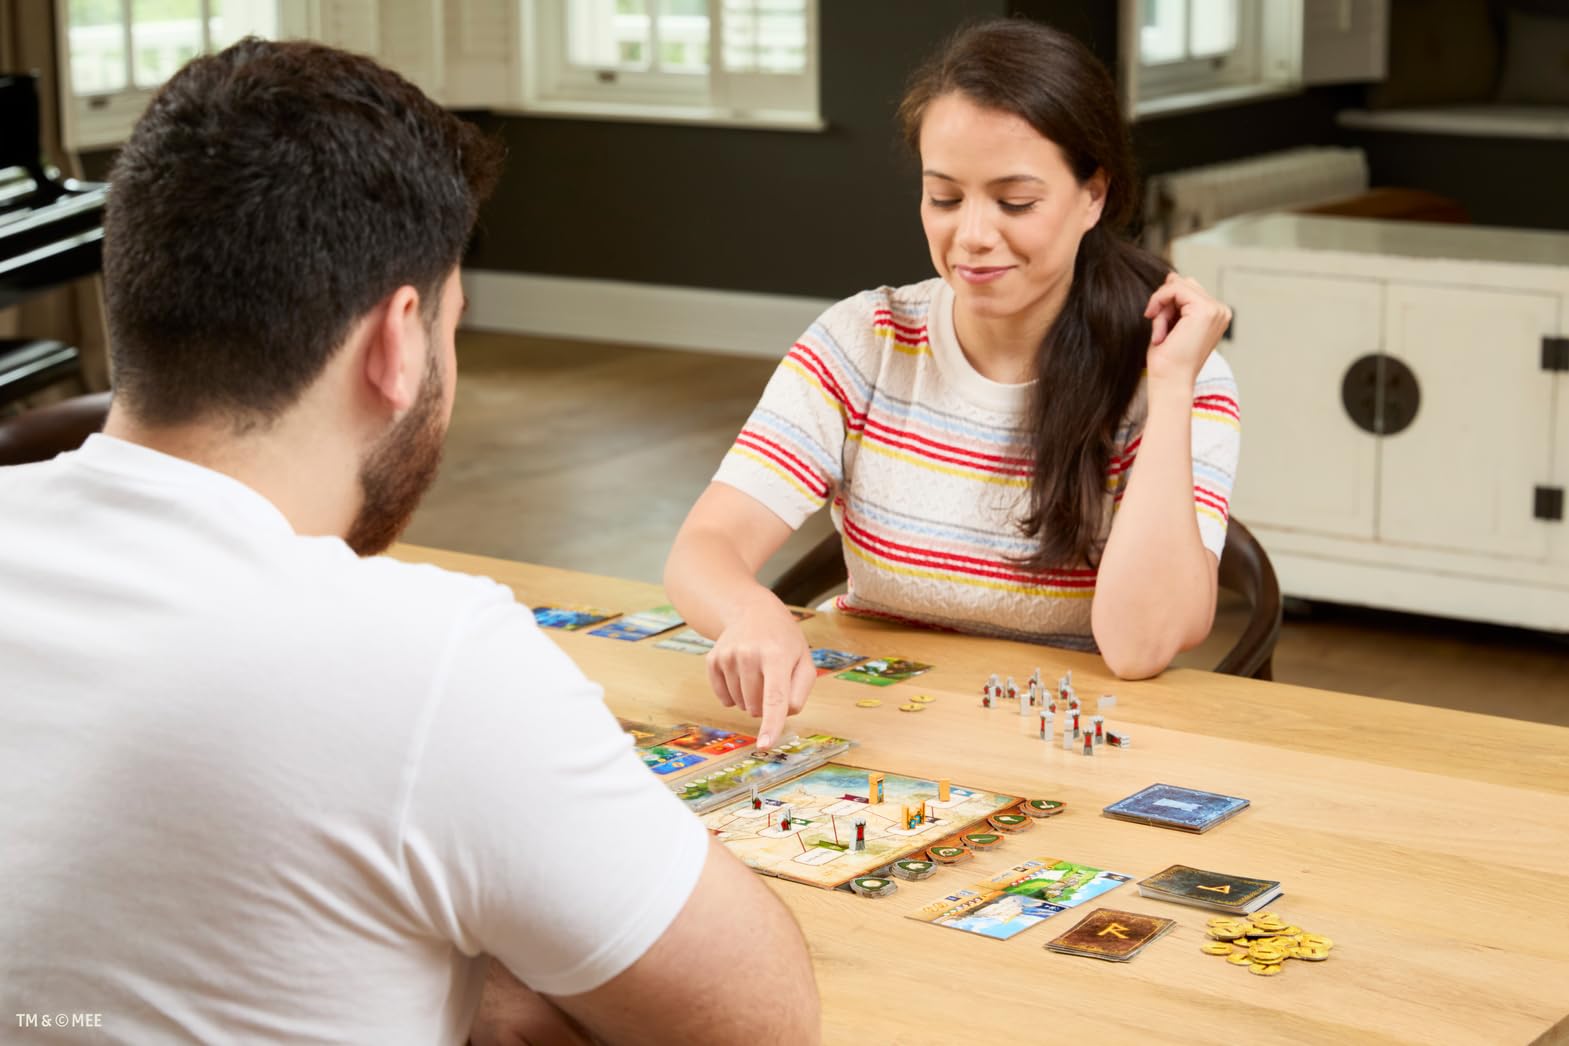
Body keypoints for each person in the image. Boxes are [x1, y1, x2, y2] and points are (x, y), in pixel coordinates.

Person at [0, 39, 817, 1045]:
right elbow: (760, 1020)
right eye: (452, 324)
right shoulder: (431, 659)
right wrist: (472, 978)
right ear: (398, 343)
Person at [665, 18, 1240, 748]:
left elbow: (1139, 646)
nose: (970, 235)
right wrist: (750, 610)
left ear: (1092, 196)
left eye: (1014, 201)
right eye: (944, 197)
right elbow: (704, 546)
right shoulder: (863, 340)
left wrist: (1167, 387)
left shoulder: (1179, 371)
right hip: (872, 731)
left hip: (1062, 745)